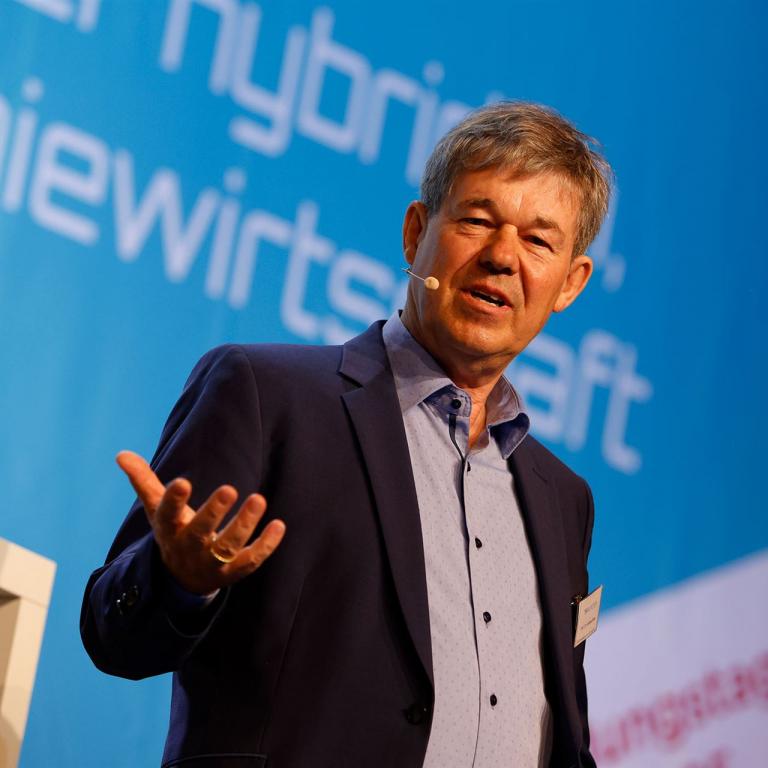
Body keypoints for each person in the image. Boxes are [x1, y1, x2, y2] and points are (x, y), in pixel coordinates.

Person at [81, 101, 612, 768]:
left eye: (538, 241)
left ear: (570, 283)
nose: (503, 257)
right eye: (477, 220)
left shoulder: (564, 498)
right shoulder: (267, 395)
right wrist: (179, 580)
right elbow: (114, 637)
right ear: (416, 232)